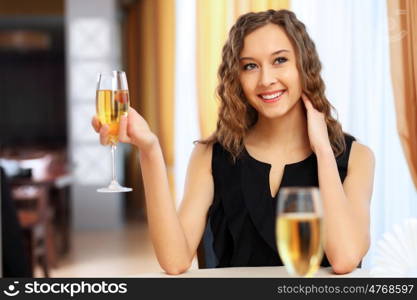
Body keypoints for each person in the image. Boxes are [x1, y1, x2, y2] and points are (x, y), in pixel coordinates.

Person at [92, 9, 374, 275]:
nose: (266, 79)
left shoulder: (356, 157)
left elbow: (345, 258)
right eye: (250, 66)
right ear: (237, 78)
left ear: (304, 65)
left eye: (280, 60)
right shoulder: (210, 155)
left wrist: (324, 152)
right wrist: (149, 149)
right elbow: (175, 260)